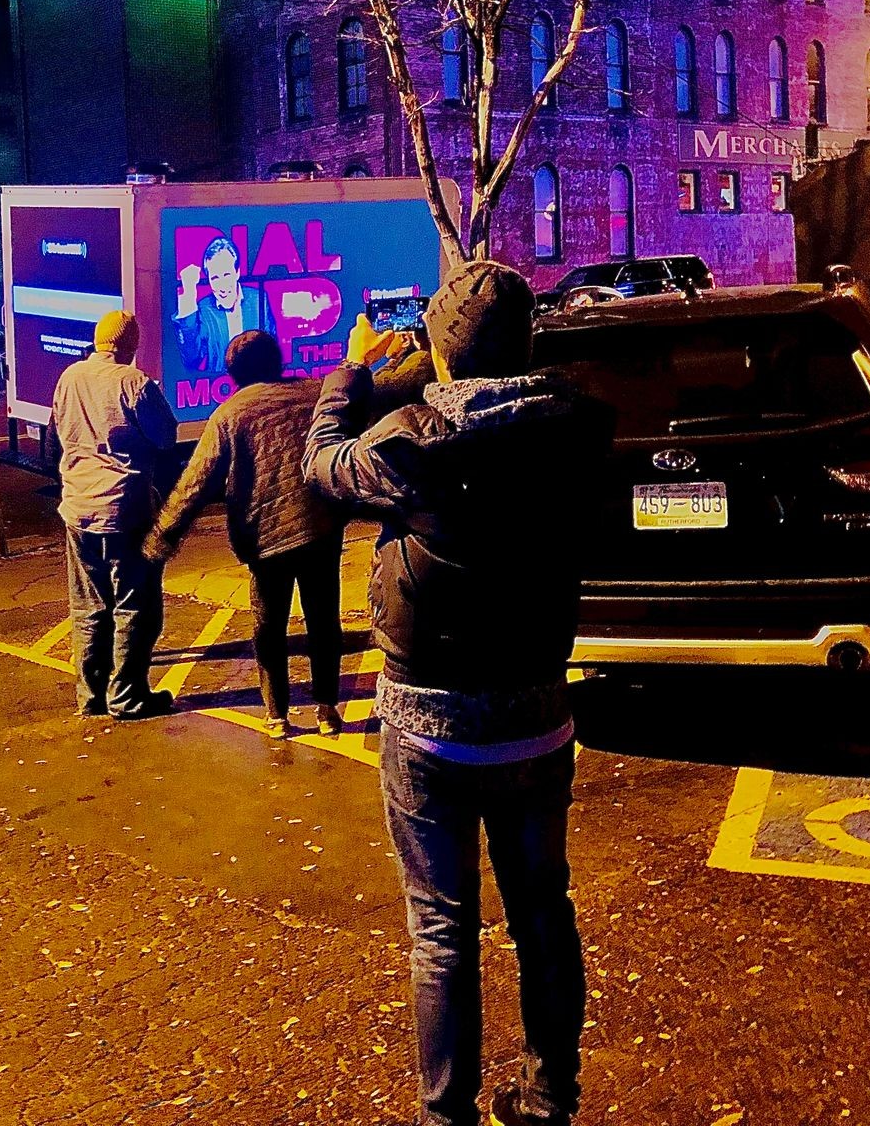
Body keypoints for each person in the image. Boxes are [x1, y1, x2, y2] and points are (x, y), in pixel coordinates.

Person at [303, 261, 613, 1126]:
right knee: (543, 914)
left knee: (442, 931)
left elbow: (321, 464)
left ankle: (449, 1114)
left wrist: (354, 368)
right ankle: (551, 1094)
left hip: (428, 721)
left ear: (441, 352)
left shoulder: (412, 442)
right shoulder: (578, 429)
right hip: (537, 713)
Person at [144, 330, 346, 741]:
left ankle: (277, 715)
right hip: (320, 528)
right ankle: (327, 709)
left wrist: (160, 539)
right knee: (323, 622)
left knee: (269, 627)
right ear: (278, 361)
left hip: (265, 538)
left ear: (233, 372)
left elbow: (195, 485)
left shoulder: (230, 414)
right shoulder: (315, 395)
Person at [51, 309, 178, 721]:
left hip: (77, 507)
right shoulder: (134, 383)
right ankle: (126, 696)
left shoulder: (69, 377)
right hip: (125, 508)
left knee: (88, 605)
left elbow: (58, 434)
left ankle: (89, 695)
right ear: (131, 345)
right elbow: (166, 436)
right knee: (134, 605)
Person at [174, 236, 276, 376]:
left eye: (226, 275)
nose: (222, 286)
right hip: (220, 392)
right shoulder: (204, 309)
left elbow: (272, 350)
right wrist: (189, 293)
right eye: (215, 278)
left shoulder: (258, 299)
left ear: (237, 272)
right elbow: (191, 360)